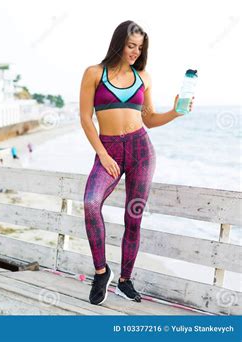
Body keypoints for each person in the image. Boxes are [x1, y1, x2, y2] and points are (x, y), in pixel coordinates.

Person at [79, 20, 194, 306]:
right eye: (131, 46)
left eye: (139, 48)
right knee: (91, 203)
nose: (135, 52)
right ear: (118, 42)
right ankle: (101, 272)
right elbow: (84, 118)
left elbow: (149, 119)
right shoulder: (94, 73)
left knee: (134, 217)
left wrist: (175, 113)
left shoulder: (144, 77)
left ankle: (125, 280)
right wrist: (103, 154)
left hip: (141, 150)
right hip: (109, 150)